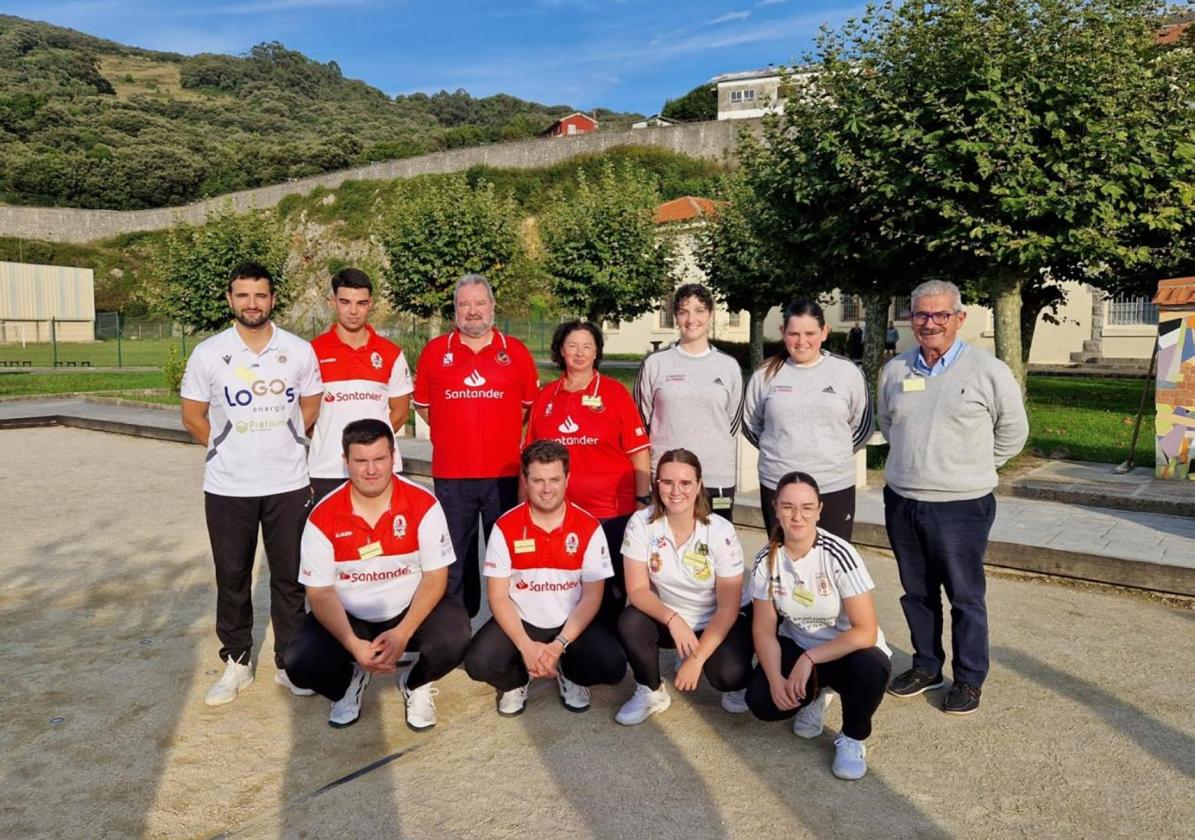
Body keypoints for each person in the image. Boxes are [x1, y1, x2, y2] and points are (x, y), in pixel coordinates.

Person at [878, 279, 1027, 715]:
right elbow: (890, 426)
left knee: (964, 596)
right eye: (921, 314)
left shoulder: (988, 371)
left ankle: (969, 679)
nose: (930, 323)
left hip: (962, 505)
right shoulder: (895, 371)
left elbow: (1014, 433)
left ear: (959, 318)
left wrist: (971, 469)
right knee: (916, 593)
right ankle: (926, 666)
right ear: (911, 318)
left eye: (941, 314)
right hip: (904, 500)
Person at [179, 261, 323, 706]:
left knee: (289, 579)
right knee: (233, 576)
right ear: (230, 300)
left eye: (260, 295)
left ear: (272, 299)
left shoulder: (298, 350)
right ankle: (237, 663)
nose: (252, 303)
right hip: (228, 486)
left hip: (288, 483)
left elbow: (311, 404)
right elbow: (192, 415)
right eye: (243, 295)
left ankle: (289, 662)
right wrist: (226, 447)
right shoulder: (208, 353)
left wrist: (282, 442)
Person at [284, 419, 471, 730]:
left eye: (379, 459)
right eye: (360, 461)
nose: (371, 470)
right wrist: (353, 645)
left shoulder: (423, 503)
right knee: (299, 662)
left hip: (409, 608)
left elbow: (436, 578)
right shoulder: (322, 517)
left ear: (393, 457)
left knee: (455, 636)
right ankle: (349, 682)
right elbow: (320, 593)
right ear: (346, 462)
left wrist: (403, 633)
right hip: (351, 616)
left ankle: (415, 683)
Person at [745, 471, 891, 781]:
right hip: (798, 644)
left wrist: (809, 659)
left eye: (807, 507)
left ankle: (853, 737)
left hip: (845, 650)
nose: (797, 516)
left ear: (820, 510)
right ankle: (815, 693)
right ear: (775, 507)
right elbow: (763, 630)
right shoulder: (766, 560)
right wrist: (773, 678)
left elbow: (864, 630)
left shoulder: (839, 554)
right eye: (788, 507)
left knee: (871, 668)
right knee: (761, 702)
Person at [463, 441, 626, 716]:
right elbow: (498, 596)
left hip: (570, 623)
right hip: (524, 621)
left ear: (567, 479)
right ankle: (517, 680)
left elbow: (592, 597)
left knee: (612, 666)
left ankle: (568, 672)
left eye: (554, 479)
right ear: (525, 480)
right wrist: (527, 647)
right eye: (538, 480)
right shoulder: (505, 526)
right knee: (479, 663)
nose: (547, 489)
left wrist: (559, 644)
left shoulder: (589, 526)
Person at [413, 274, 540, 617]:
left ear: (492, 307)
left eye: (479, 303)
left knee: (508, 554)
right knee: (454, 557)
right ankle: (457, 625)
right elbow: (424, 407)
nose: (472, 312)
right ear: (454, 309)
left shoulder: (515, 352)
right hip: (452, 475)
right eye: (464, 304)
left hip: (505, 474)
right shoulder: (436, 351)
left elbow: (530, 408)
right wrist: (455, 430)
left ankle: (512, 625)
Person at [615, 448, 752, 725]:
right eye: (667, 482)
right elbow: (638, 591)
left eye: (686, 483)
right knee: (630, 621)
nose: (676, 491)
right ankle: (650, 690)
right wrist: (674, 620)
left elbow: (728, 608)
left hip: (717, 619)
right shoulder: (641, 523)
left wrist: (697, 659)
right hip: (672, 617)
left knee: (729, 675)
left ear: (699, 485)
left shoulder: (720, 530)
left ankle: (724, 671)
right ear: (657, 484)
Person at [525, 320, 651, 623]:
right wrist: (525, 508)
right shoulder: (546, 398)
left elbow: (639, 452)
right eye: (572, 346)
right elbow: (528, 461)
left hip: (610, 511)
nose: (579, 353)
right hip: (560, 513)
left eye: (587, 346)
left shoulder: (614, 393)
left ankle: (605, 656)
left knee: (611, 589)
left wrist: (642, 501)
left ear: (596, 352)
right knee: (566, 585)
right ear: (560, 351)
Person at [743, 299, 873, 542]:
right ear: (783, 333)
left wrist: (833, 453)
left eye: (810, 333)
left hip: (833, 485)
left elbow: (862, 425)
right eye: (794, 333)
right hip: (778, 484)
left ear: (825, 332)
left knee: (832, 564)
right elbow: (751, 423)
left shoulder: (847, 373)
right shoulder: (765, 374)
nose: (802, 341)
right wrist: (781, 450)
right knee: (783, 562)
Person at [634, 284, 744, 520]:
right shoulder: (656, 363)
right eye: (684, 311)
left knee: (712, 552)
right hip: (667, 479)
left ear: (710, 314)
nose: (691, 319)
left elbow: (733, 423)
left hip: (715, 478)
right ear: (675, 317)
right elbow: (641, 423)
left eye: (699, 310)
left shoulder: (728, 366)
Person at [308, 267, 413, 503]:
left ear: (370, 304)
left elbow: (400, 412)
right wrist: (327, 437)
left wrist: (370, 448)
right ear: (332, 302)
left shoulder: (391, 353)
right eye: (345, 302)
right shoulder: (312, 352)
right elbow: (303, 413)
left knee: (383, 539)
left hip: (379, 471)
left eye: (361, 303)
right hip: (327, 470)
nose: (353, 311)